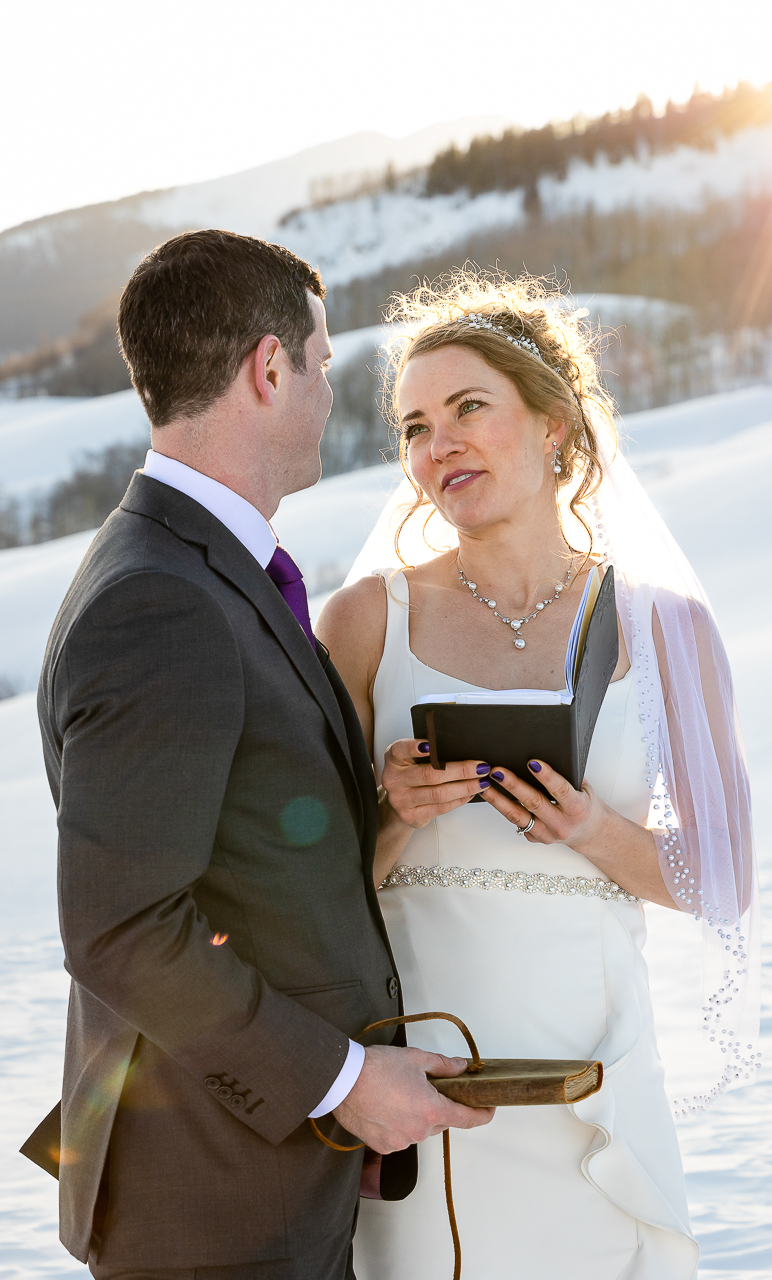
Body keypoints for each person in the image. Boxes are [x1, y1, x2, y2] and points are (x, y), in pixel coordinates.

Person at [23, 230, 492, 1280]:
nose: (330, 394)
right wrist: (341, 1079)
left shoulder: (191, 566)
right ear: (268, 369)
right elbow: (121, 928)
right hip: (211, 1197)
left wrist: (381, 806)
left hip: (250, 1172)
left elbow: (228, 840)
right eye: (322, 366)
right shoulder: (161, 597)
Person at [318, 271, 759, 1280]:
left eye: (468, 407)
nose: (438, 445)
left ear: (553, 422)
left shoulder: (666, 628)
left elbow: (722, 876)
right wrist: (392, 812)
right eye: (414, 425)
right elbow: (298, 875)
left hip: (593, 1077)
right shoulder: (361, 622)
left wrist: (589, 829)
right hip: (425, 1076)